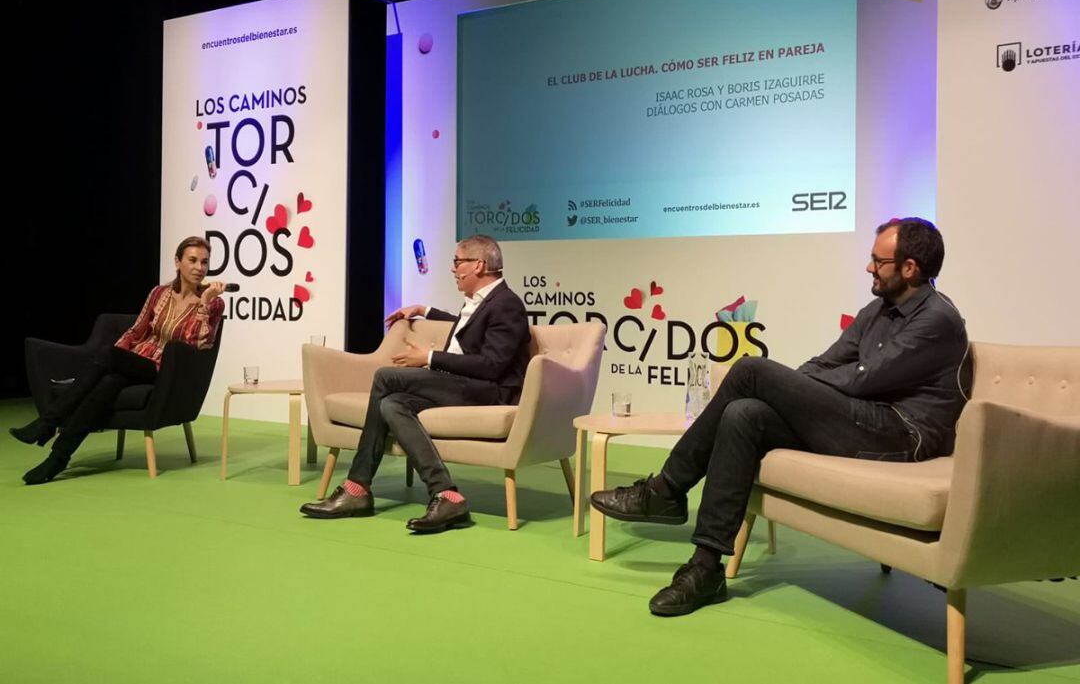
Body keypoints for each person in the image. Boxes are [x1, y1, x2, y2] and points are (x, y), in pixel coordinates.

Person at [591, 217, 970, 616]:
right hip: (860, 420)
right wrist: (793, 389)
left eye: (878, 260)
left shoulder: (937, 319)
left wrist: (794, 386)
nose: (869, 267)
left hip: (900, 434)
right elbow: (826, 363)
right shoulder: (877, 310)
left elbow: (864, 379)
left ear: (910, 268)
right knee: (744, 412)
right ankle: (705, 568)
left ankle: (665, 491)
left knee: (751, 370)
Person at [300, 234, 530, 533]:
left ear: (479, 265)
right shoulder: (482, 302)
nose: (453, 269)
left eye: (457, 261)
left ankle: (357, 487)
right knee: (391, 404)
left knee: (386, 376)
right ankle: (446, 494)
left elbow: (493, 365)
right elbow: (467, 327)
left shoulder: (507, 304)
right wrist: (424, 310)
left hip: (489, 390)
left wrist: (430, 357)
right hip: (462, 384)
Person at [13, 236, 225, 484]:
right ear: (178, 262)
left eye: (204, 262)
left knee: (107, 355)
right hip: (139, 361)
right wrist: (114, 360)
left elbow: (198, 344)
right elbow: (136, 331)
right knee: (108, 382)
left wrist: (204, 303)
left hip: (165, 371)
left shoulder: (213, 303)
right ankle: (57, 458)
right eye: (192, 260)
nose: (199, 267)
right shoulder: (159, 294)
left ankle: (49, 421)